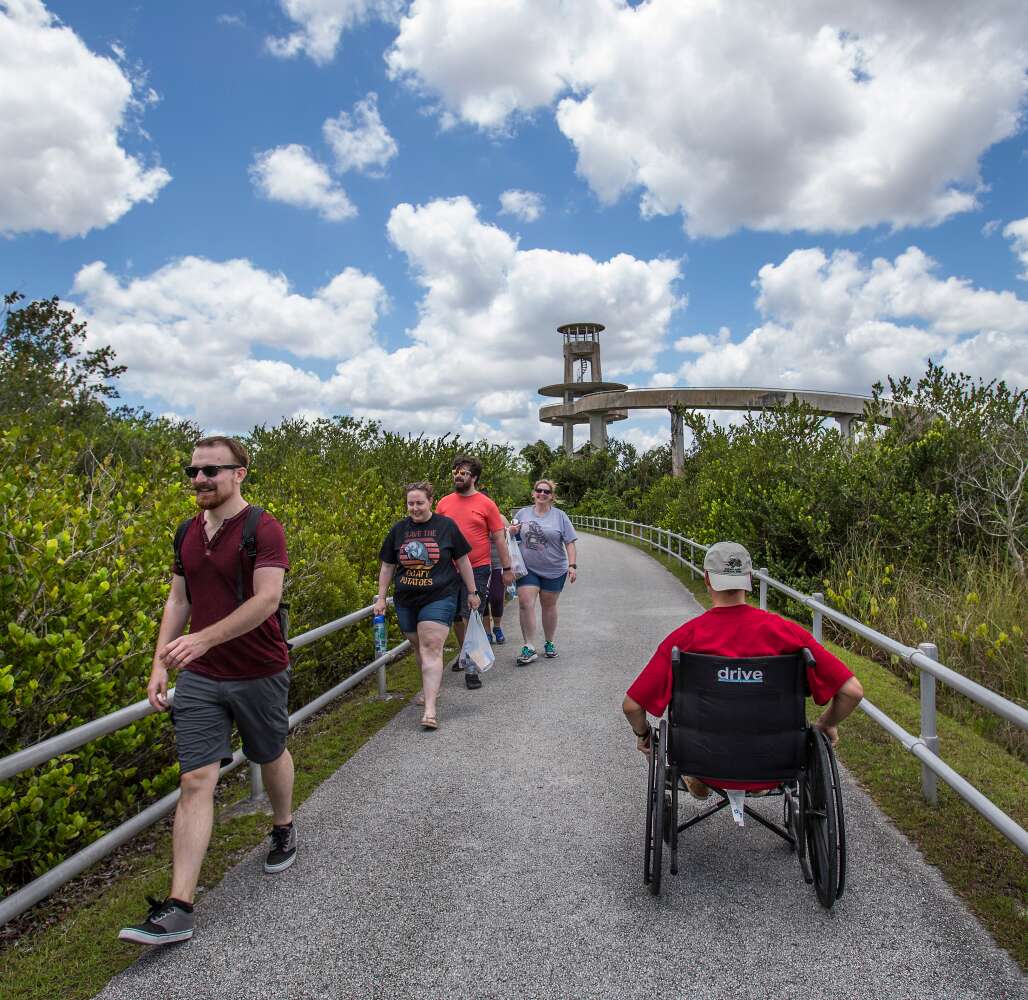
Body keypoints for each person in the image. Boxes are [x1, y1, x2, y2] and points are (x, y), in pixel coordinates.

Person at [120, 436, 293, 946]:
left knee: (270, 751)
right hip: (200, 677)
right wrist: (160, 664)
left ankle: (283, 824)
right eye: (193, 470)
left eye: (211, 471)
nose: (199, 479)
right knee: (196, 778)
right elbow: (178, 600)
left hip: (259, 668)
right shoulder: (186, 532)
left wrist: (203, 638)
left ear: (240, 473)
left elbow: (267, 601)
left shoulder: (263, 528)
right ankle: (178, 908)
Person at [622, 541, 864, 799]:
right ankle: (757, 779)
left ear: (707, 579)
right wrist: (826, 724)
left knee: (692, 749)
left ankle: (699, 777)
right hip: (775, 763)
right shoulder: (787, 633)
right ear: (748, 579)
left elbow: (632, 706)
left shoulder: (684, 638)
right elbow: (852, 691)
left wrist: (644, 734)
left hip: (701, 762)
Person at [374, 481, 480, 729]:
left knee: (431, 646)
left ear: (430, 501)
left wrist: (472, 592)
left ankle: (430, 710)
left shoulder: (446, 527)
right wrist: (381, 597)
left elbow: (463, 561)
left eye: (419, 503)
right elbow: (388, 565)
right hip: (406, 599)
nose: (415, 508)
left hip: (440, 595)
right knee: (418, 645)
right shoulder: (398, 530)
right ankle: (430, 687)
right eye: (410, 503)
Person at [435, 456, 514, 689]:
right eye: (455, 472)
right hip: (449, 568)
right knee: (456, 617)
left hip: (478, 567)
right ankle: (465, 653)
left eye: (464, 473)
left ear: (475, 477)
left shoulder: (486, 504)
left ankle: (472, 667)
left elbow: (500, 538)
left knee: (472, 615)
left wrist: (507, 569)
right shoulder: (444, 503)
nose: (458, 476)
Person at [509, 479, 577, 665]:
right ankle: (529, 646)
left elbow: (569, 542)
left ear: (552, 496)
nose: (542, 494)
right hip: (527, 568)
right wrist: (512, 530)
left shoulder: (560, 516)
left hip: (554, 568)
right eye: (539, 490)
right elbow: (511, 536)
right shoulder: (522, 513)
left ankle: (549, 642)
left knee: (548, 605)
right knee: (525, 602)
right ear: (533, 493)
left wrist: (572, 566)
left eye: (546, 492)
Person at [479, 488, 510, 645]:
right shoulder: (473, 518)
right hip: (479, 565)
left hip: (497, 564)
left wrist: (508, 567)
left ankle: (497, 626)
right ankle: (487, 631)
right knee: (482, 600)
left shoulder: (499, 517)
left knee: (497, 598)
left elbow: (508, 538)